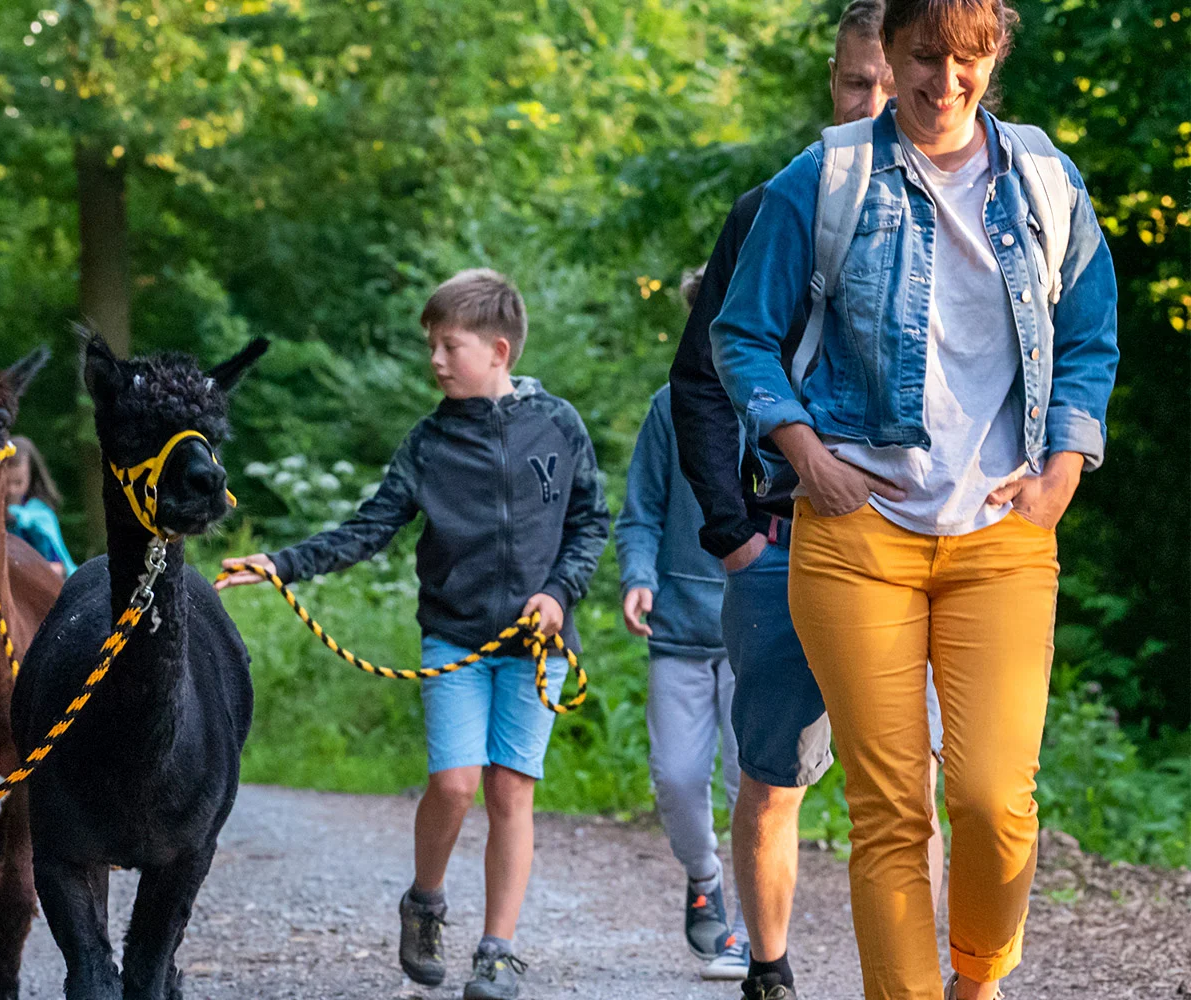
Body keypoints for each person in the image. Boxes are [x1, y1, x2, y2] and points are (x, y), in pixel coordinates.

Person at [709, 0, 1119, 995]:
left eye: (966, 58)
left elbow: (1090, 336)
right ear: (886, 55)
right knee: (888, 809)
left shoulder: (1042, 182)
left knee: (989, 800)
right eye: (922, 55)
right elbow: (740, 335)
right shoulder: (824, 181)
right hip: (854, 538)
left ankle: (974, 980)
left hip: (1000, 536)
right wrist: (804, 452)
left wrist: (1061, 466)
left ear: (994, 58)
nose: (943, 79)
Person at [217, 269, 611, 1000]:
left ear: (497, 349)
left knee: (510, 790)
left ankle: (498, 951)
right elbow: (370, 527)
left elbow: (590, 523)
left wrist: (559, 595)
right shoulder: (428, 443)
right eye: (430, 344)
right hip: (454, 641)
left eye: (447, 345)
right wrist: (282, 564)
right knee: (454, 784)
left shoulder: (558, 426)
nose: (434, 359)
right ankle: (425, 901)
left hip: (539, 648)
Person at [668, 3, 949, 996]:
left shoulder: (977, 202)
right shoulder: (776, 206)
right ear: (831, 85)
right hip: (783, 542)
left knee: (909, 782)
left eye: (888, 81)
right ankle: (769, 968)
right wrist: (731, 532)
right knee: (772, 775)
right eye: (852, 83)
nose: (873, 101)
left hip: (924, 546)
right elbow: (701, 377)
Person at [616, 267, 745, 981]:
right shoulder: (670, 409)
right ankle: (703, 877)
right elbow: (639, 513)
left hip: (760, 628)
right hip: (679, 624)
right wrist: (639, 577)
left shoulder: (779, 404)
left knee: (751, 783)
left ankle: (758, 930)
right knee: (677, 774)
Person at [0, 435, 78, 575]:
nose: (11, 490)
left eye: (18, 483)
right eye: (6, 483)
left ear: (31, 477)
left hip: (47, 572)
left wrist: (16, 516)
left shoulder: (40, 511)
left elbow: (59, 563)